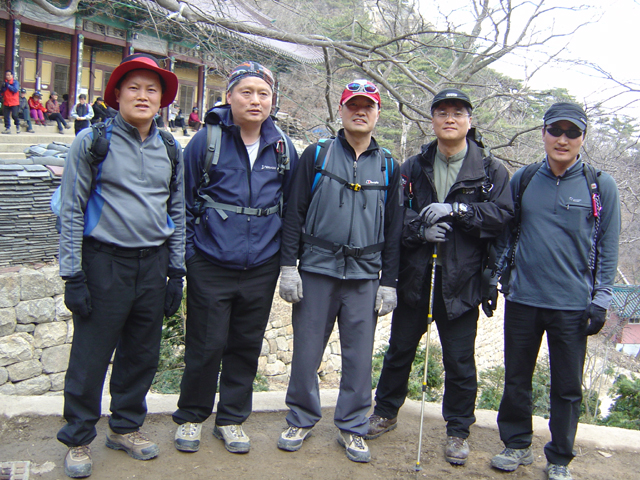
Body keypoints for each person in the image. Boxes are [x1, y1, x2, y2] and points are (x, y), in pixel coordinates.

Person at [365, 88, 514, 466]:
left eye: (458, 113)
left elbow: (502, 216)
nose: (450, 119)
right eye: (442, 112)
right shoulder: (413, 167)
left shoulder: (490, 170)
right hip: (416, 277)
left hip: (462, 282)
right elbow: (394, 217)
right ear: (432, 120)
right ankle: (385, 411)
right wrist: (420, 229)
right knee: (399, 350)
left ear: (469, 120)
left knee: (460, 361)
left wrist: (458, 210)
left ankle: (458, 430)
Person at [57, 53, 185, 479]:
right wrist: (72, 274)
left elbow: (177, 210)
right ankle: (78, 437)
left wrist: (176, 272)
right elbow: (71, 209)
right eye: (134, 88)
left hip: (153, 263)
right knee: (91, 355)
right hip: (104, 262)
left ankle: (126, 427)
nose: (143, 96)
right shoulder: (92, 141)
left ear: (162, 99)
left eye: (152, 89)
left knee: (141, 353)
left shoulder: (170, 147)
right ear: (117, 94)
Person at [171, 61, 299, 455]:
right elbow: (183, 201)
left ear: (272, 100)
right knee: (205, 345)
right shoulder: (206, 140)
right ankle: (192, 415)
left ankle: (231, 419)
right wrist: (190, 256)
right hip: (210, 261)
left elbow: (291, 208)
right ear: (229, 96)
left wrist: (284, 262)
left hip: (261, 264)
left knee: (246, 345)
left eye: (263, 93)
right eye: (246, 92)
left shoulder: (282, 146)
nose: (255, 100)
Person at [490, 103, 620, 480]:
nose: (563, 139)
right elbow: (506, 234)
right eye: (556, 131)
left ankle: (560, 457)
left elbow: (608, 247)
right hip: (523, 298)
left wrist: (601, 300)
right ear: (543, 133)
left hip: (572, 305)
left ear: (583, 137)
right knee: (516, 377)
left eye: (572, 132)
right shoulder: (525, 178)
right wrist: (495, 279)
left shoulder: (600, 185)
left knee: (567, 387)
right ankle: (516, 444)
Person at [277, 79, 403, 464]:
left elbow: (394, 229)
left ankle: (352, 425)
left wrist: (389, 282)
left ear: (378, 114)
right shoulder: (317, 154)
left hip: (364, 276)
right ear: (341, 110)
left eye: (368, 106)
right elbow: (294, 213)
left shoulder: (388, 166)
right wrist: (288, 266)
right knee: (306, 352)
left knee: (359, 358)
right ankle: (300, 418)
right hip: (317, 269)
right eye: (353, 105)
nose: (360, 112)